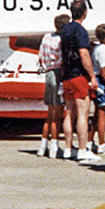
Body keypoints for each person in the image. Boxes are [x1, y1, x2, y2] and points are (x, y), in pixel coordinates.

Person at [59, 0, 99, 163]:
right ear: (85, 13)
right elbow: (84, 54)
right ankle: (82, 150)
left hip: (67, 76)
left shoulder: (65, 30)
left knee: (69, 112)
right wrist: (92, 76)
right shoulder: (80, 31)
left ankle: (68, 148)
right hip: (78, 75)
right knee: (83, 113)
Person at [36, 13, 69, 158]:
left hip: (48, 74)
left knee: (49, 113)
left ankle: (42, 146)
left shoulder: (46, 37)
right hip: (57, 74)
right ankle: (54, 147)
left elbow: (40, 57)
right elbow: (61, 61)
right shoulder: (62, 40)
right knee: (57, 115)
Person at [90, 24, 105, 155]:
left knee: (96, 114)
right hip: (103, 82)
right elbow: (104, 72)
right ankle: (101, 144)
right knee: (102, 115)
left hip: (99, 80)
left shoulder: (97, 48)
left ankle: (91, 141)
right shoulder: (104, 49)